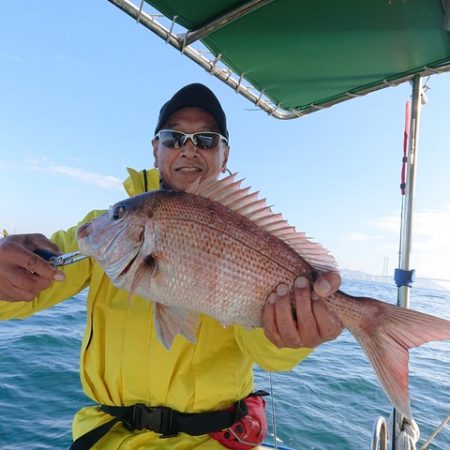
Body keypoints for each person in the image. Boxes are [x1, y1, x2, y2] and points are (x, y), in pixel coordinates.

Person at [0, 83, 343, 449]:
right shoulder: (111, 225)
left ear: (225, 155)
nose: (189, 148)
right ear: (155, 149)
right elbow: (25, 293)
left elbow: (265, 352)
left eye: (206, 140)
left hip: (211, 442)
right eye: (173, 137)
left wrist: (292, 336)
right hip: (108, 439)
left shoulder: (248, 231)